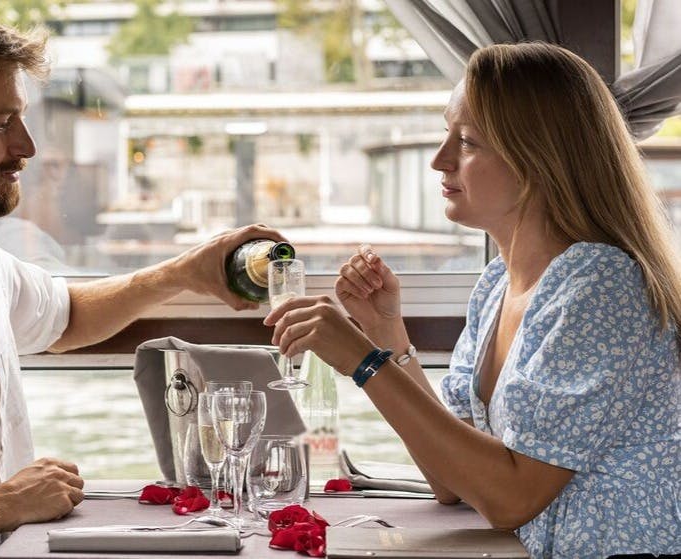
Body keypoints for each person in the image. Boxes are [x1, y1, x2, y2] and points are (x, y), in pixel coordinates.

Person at [0, 1, 286, 557]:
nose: (26, 146)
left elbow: (67, 315)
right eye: (2, 124)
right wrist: (0, 506)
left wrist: (184, 273)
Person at [266, 42, 680, 558]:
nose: (440, 160)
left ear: (537, 159)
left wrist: (361, 360)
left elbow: (511, 498)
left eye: (466, 142)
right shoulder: (495, 288)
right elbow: (453, 483)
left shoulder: (601, 288)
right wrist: (387, 337)